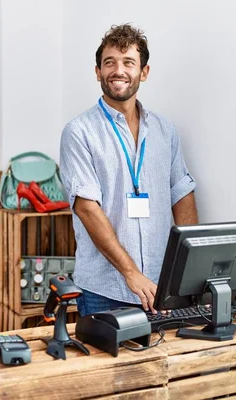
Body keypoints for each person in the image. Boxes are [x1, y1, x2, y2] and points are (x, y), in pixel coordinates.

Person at [60, 24, 198, 316]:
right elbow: (86, 208)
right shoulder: (79, 132)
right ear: (98, 72)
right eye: (109, 62)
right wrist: (131, 273)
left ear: (143, 72)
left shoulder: (165, 131)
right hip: (105, 290)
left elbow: (182, 195)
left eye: (128, 63)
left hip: (162, 286)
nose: (118, 70)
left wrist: (189, 272)